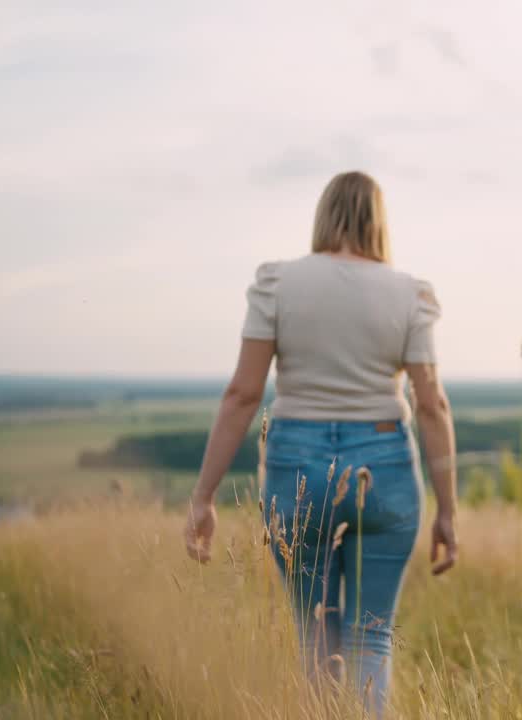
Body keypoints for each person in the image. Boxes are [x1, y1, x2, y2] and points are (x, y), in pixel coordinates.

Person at [182, 171, 459, 717]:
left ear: (323, 214)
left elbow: (242, 394)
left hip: (296, 466)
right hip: (385, 466)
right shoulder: (409, 294)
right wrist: (447, 509)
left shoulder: (278, 284)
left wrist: (203, 496)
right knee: (370, 640)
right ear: (379, 221)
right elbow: (432, 405)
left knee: (316, 640)